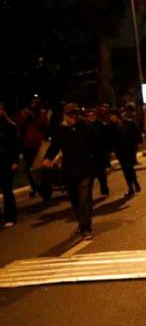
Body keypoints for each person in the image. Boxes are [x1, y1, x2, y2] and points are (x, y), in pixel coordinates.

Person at [42, 103, 97, 240]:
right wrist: (48, 158)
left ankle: (86, 228)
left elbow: (96, 147)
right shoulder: (60, 131)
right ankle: (81, 221)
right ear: (65, 116)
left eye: (75, 114)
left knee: (84, 199)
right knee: (75, 200)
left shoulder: (87, 128)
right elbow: (54, 146)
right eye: (70, 114)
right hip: (69, 170)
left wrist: (100, 163)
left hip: (86, 169)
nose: (73, 117)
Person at [15, 95, 48, 198]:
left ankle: (44, 186)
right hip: (28, 145)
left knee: (42, 166)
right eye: (33, 101)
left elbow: (45, 126)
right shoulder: (23, 113)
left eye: (37, 100)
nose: (35, 103)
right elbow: (19, 127)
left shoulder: (41, 113)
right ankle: (35, 186)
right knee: (31, 167)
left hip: (40, 143)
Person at [111, 105, 142, 197]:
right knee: (125, 170)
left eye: (112, 116)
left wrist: (138, 143)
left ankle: (134, 184)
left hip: (129, 150)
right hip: (120, 151)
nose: (111, 118)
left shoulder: (127, 123)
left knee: (129, 168)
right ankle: (132, 186)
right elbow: (110, 139)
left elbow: (136, 132)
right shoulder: (111, 126)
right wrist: (112, 150)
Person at [0, 102, 20, 227]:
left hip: (6, 161)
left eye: (1, 109)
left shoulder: (9, 126)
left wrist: (15, 161)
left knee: (7, 189)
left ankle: (10, 216)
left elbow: (15, 146)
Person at [85, 108, 111, 197]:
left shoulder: (101, 125)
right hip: (89, 155)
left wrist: (107, 152)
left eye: (93, 115)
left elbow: (105, 139)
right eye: (89, 116)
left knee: (101, 175)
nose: (91, 117)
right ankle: (88, 196)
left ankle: (104, 190)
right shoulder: (85, 127)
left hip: (100, 153)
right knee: (90, 177)